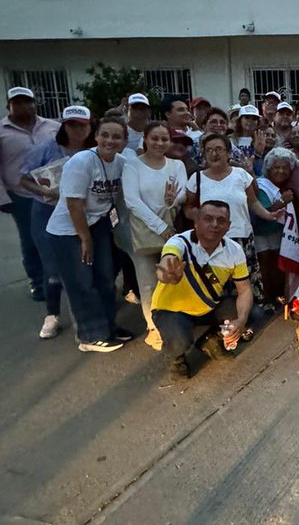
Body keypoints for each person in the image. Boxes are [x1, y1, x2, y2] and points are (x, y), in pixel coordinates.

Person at [46, 115, 134, 353]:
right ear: (96, 136)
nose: (109, 140)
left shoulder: (121, 162)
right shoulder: (82, 161)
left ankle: (108, 327)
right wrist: (84, 238)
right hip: (69, 230)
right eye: (104, 134)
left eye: (116, 136)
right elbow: (74, 203)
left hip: (99, 224)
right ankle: (90, 336)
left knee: (105, 278)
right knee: (82, 282)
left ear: (125, 141)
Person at [151, 200, 254, 379]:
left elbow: (244, 290)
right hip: (172, 310)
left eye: (221, 220)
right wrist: (166, 273)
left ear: (228, 226)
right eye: (208, 219)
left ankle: (211, 341)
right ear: (196, 220)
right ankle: (175, 357)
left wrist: (241, 320)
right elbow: (167, 260)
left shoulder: (234, 250)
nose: (215, 224)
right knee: (180, 339)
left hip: (206, 307)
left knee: (245, 313)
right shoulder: (179, 242)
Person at [20, 104, 95, 339]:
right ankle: (52, 314)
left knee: (87, 261)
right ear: (64, 125)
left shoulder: (94, 150)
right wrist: (49, 193)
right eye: (72, 124)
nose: (78, 129)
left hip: (85, 214)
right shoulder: (47, 149)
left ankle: (87, 311)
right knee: (52, 267)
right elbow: (23, 178)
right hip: (48, 212)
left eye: (83, 125)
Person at [185, 133, 283, 300]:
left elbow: (253, 202)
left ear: (229, 153)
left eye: (218, 149)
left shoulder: (240, 174)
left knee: (245, 285)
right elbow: (189, 207)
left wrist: (269, 215)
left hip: (242, 238)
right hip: (211, 241)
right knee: (217, 287)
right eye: (209, 150)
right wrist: (197, 215)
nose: (214, 154)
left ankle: (248, 317)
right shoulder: (197, 178)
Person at [121, 121, 189, 348]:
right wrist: (161, 227)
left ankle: (177, 322)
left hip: (171, 229)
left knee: (172, 277)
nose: (160, 143)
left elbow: (182, 194)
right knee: (148, 281)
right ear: (145, 140)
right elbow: (132, 201)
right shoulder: (133, 165)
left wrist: (172, 201)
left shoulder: (176, 165)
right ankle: (153, 327)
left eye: (164, 139)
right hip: (145, 231)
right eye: (155, 138)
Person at [0, 86, 60, 299]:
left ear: (35, 103)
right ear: (9, 106)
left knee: (57, 236)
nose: (24, 106)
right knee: (32, 239)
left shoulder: (52, 127)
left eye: (28, 101)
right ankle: (38, 282)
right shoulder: (2, 131)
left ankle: (56, 277)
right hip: (22, 196)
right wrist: (3, 198)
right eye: (17, 102)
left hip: (54, 194)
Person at [254, 146, 296, 304]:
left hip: (279, 232)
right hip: (260, 231)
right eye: (276, 167)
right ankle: (265, 298)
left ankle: (278, 295)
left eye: (285, 167)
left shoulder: (289, 184)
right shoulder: (261, 184)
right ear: (269, 168)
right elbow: (264, 212)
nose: (281, 171)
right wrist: (282, 201)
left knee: (278, 263)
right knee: (264, 264)